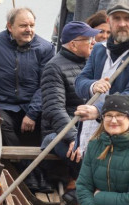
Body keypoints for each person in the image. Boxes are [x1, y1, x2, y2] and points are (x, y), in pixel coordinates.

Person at [0, 7, 54, 150]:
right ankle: (22, 167)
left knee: (46, 126)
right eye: (23, 26)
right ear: (9, 26)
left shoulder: (45, 48)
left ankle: (41, 170)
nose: (29, 30)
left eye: (31, 26)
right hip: (2, 105)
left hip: (32, 106)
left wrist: (32, 114)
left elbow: (46, 84)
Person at [75, 0, 129, 133]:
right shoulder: (99, 49)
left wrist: (99, 110)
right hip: (91, 134)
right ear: (109, 21)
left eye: (128, 18)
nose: (122, 24)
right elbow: (79, 82)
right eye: (116, 18)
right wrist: (93, 85)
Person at [39, 20, 99, 192]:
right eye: (88, 40)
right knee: (79, 151)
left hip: (90, 128)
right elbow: (54, 109)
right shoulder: (54, 68)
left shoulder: (91, 64)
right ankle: (89, 188)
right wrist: (74, 137)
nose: (93, 43)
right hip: (58, 133)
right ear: (73, 44)